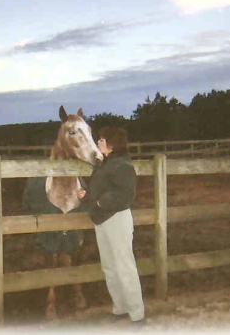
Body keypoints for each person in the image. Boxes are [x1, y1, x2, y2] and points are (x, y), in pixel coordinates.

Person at [77, 126, 145, 325]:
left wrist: (98, 202)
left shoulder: (122, 165)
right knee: (109, 267)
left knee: (124, 265)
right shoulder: (105, 164)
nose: (98, 142)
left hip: (116, 219)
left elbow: (125, 195)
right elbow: (103, 188)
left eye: (102, 140)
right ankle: (120, 307)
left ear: (112, 144)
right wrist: (87, 195)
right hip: (102, 219)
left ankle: (137, 314)